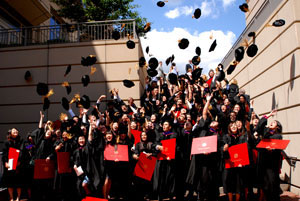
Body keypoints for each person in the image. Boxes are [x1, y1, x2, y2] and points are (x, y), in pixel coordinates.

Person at [256, 110, 283, 201]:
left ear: (277, 127)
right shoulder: (265, 132)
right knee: (265, 186)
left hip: (272, 165)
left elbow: (278, 150)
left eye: (274, 122)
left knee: (272, 185)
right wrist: (268, 115)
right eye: (271, 121)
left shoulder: (278, 136)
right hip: (263, 163)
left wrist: (273, 150)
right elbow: (259, 126)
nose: (271, 122)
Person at [2, 128, 24, 201]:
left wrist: (31, 146)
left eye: (16, 131)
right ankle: (11, 197)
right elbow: (4, 154)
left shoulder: (21, 141)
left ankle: (18, 197)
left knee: (18, 182)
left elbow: (26, 148)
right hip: (10, 163)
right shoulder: (6, 142)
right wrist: (6, 162)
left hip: (19, 163)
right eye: (14, 131)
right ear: (10, 133)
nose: (16, 131)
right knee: (10, 182)